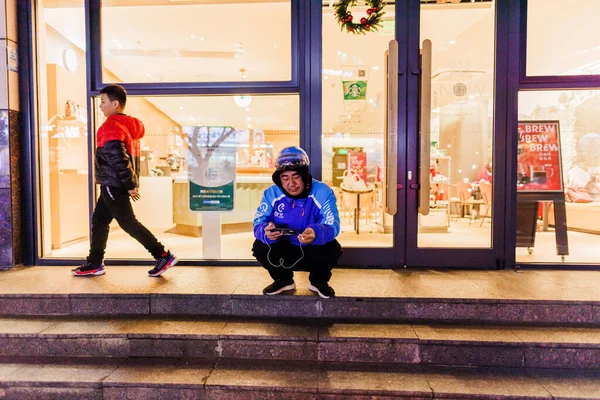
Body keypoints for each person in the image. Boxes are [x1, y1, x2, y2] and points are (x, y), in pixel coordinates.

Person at [71, 84, 177, 277]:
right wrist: (130, 183)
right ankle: (95, 262)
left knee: (128, 222)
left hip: (113, 183)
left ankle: (162, 255)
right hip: (114, 183)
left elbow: (118, 158)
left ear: (115, 103)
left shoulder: (111, 126)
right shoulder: (129, 126)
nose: (101, 106)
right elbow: (126, 158)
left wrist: (129, 185)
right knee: (100, 221)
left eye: (103, 102)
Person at [252, 146, 342, 299]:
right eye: (285, 178)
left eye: (296, 176)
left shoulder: (322, 191)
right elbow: (258, 222)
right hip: (284, 248)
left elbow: (333, 224)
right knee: (259, 246)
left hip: (312, 248)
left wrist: (316, 232)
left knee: (333, 247)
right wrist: (265, 231)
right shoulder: (271, 193)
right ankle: (283, 280)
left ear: (304, 175)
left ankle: (318, 281)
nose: (291, 183)